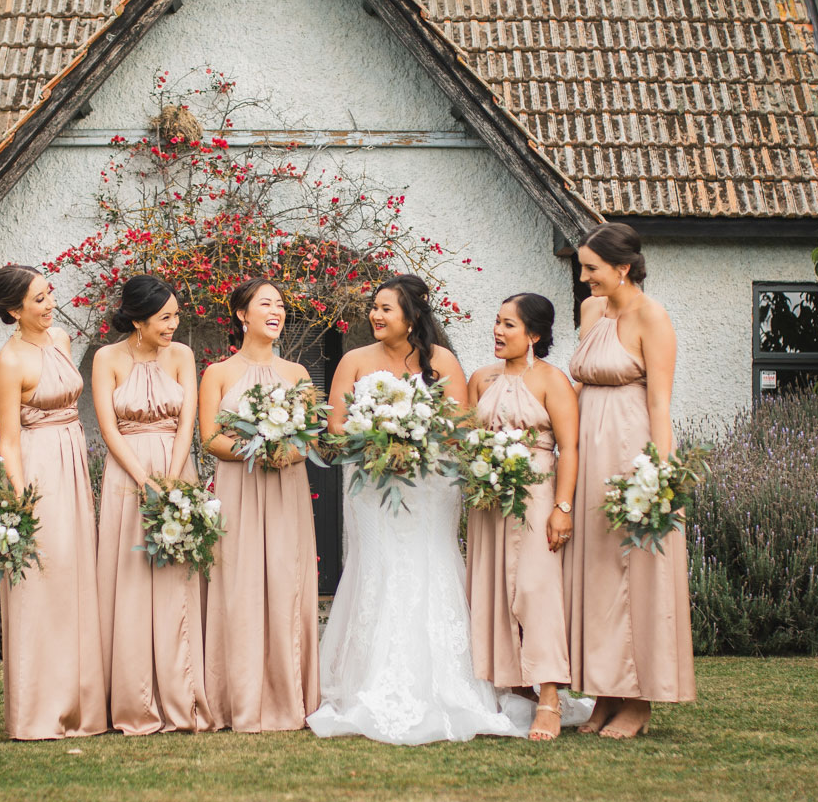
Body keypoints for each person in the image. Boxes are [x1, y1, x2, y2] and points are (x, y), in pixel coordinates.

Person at [310, 274, 528, 744]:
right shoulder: (353, 360)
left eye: (385, 308)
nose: (375, 315)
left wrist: (415, 433)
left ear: (411, 317)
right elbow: (335, 428)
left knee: (431, 564)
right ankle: (366, 678)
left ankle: (447, 680)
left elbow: (461, 426)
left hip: (429, 486)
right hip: (372, 484)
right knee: (379, 565)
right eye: (373, 306)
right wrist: (380, 436)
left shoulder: (441, 360)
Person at [565, 224, 695, 738]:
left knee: (638, 572)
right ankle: (603, 691)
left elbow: (660, 403)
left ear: (622, 267)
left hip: (632, 450)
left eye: (592, 268)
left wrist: (659, 478)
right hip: (590, 456)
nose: (584, 277)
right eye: (582, 267)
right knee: (597, 571)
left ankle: (639, 698)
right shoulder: (590, 312)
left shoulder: (652, 317)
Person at [196, 280, 320, 732]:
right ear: (242, 315)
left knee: (287, 581)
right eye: (265, 303)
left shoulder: (299, 375)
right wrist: (257, 449)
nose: (277, 310)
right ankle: (236, 699)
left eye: (282, 305)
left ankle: (290, 697)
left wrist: (282, 452)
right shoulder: (218, 373)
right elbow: (210, 437)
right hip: (238, 488)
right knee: (240, 584)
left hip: (286, 486)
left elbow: (308, 437)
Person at [0, 264, 106, 740]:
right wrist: (21, 503)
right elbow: (8, 442)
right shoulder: (10, 361)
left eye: (49, 293)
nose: (50, 304)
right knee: (42, 582)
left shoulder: (61, 340)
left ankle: (81, 706)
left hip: (72, 461)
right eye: (39, 299)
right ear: (15, 310)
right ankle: (38, 711)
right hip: (39, 470)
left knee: (76, 578)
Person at [91, 275, 209, 734]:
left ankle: (182, 694)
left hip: (177, 470)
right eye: (165, 317)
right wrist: (145, 482)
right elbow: (108, 427)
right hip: (128, 473)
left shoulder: (182, 356)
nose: (174, 325)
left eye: (176, 315)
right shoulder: (107, 358)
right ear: (138, 319)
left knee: (177, 578)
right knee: (132, 581)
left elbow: (188, 421)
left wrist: (174, 479)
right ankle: (134, 698)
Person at [465, 294, 582, 741]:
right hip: (489, 500)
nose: (498, 331)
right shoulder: (480, 379)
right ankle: (513, 689)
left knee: (536, 589)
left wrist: (562, 507)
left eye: (508, 325)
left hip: (535, 496)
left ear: (534, 334)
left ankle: (549, 696)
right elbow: (469, 437)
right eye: (496, 322)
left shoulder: (554, 381)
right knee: (492, 589)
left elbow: (569, 449)